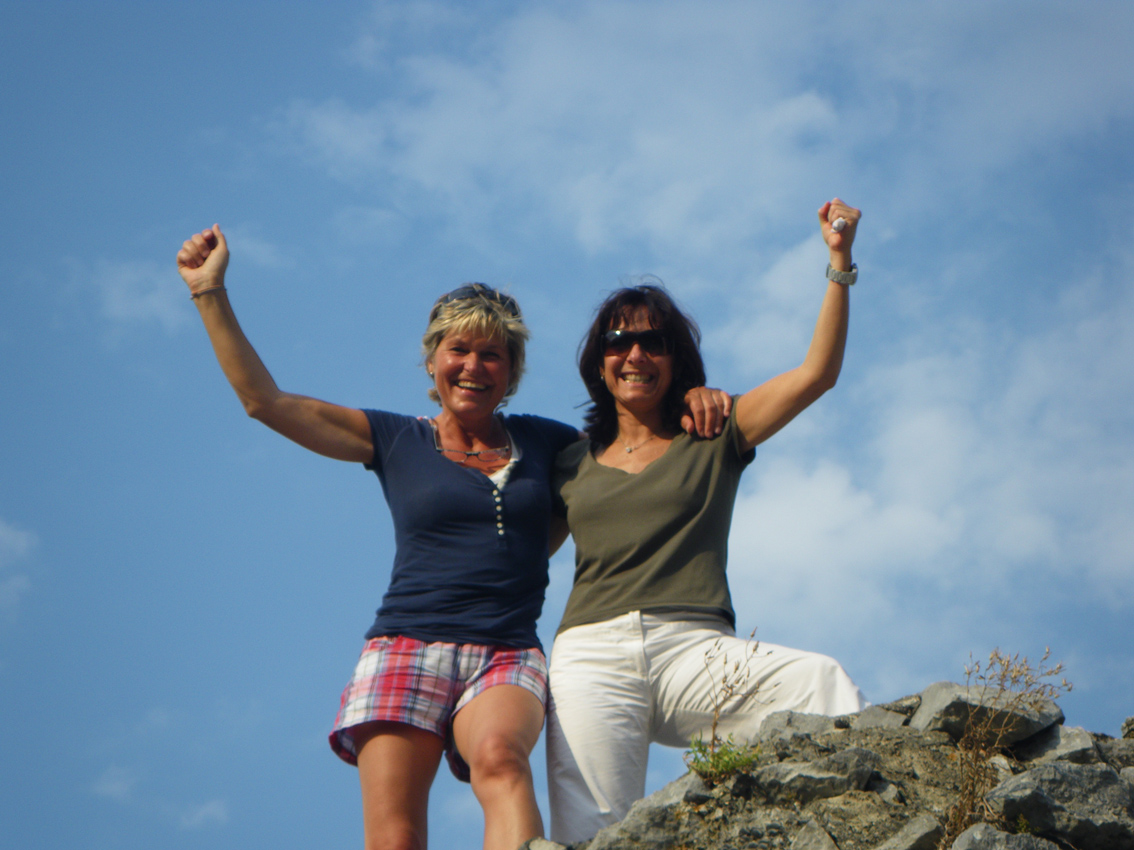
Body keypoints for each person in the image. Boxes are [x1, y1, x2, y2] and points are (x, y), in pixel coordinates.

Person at [175, 224, 728, 850]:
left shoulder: (549, 444)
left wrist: (693, 398)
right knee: (397, 835)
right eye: (458, 350)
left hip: (505, 652)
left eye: (492, 354)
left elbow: (636, 442)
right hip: (405, 646)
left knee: (501, 760)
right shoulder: (394, 439)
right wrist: (209, 292)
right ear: (433, 359)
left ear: (512, 370)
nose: (473, 366)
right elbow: (264, 401)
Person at [546, 199, 868, 844]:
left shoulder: (715, 433)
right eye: (619, 340)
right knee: (594, 830)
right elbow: (511, 553)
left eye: (652, 341)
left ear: (676, 359)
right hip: (590, 654)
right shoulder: (568, 463)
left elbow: (816, 376)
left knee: (820, 681)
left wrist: (838, 263)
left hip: (695, 646)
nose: (634, 352)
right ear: (598, 362)